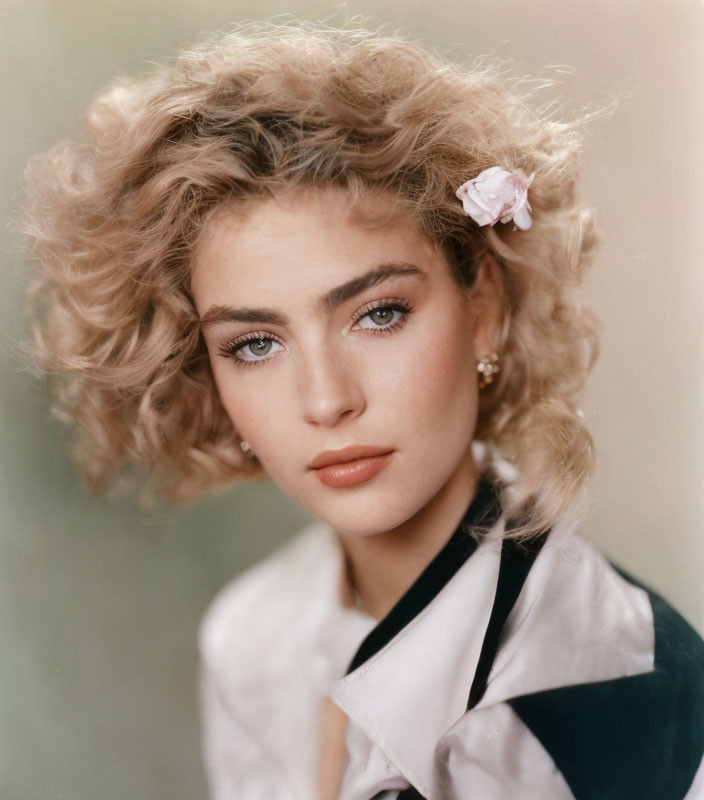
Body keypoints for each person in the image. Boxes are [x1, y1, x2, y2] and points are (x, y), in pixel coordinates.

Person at [20, 20, 704, 800]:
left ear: (480, 304)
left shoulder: (634, 696)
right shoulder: (252, 639)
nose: (326, 400)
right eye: (254, 345)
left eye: (377, 313)